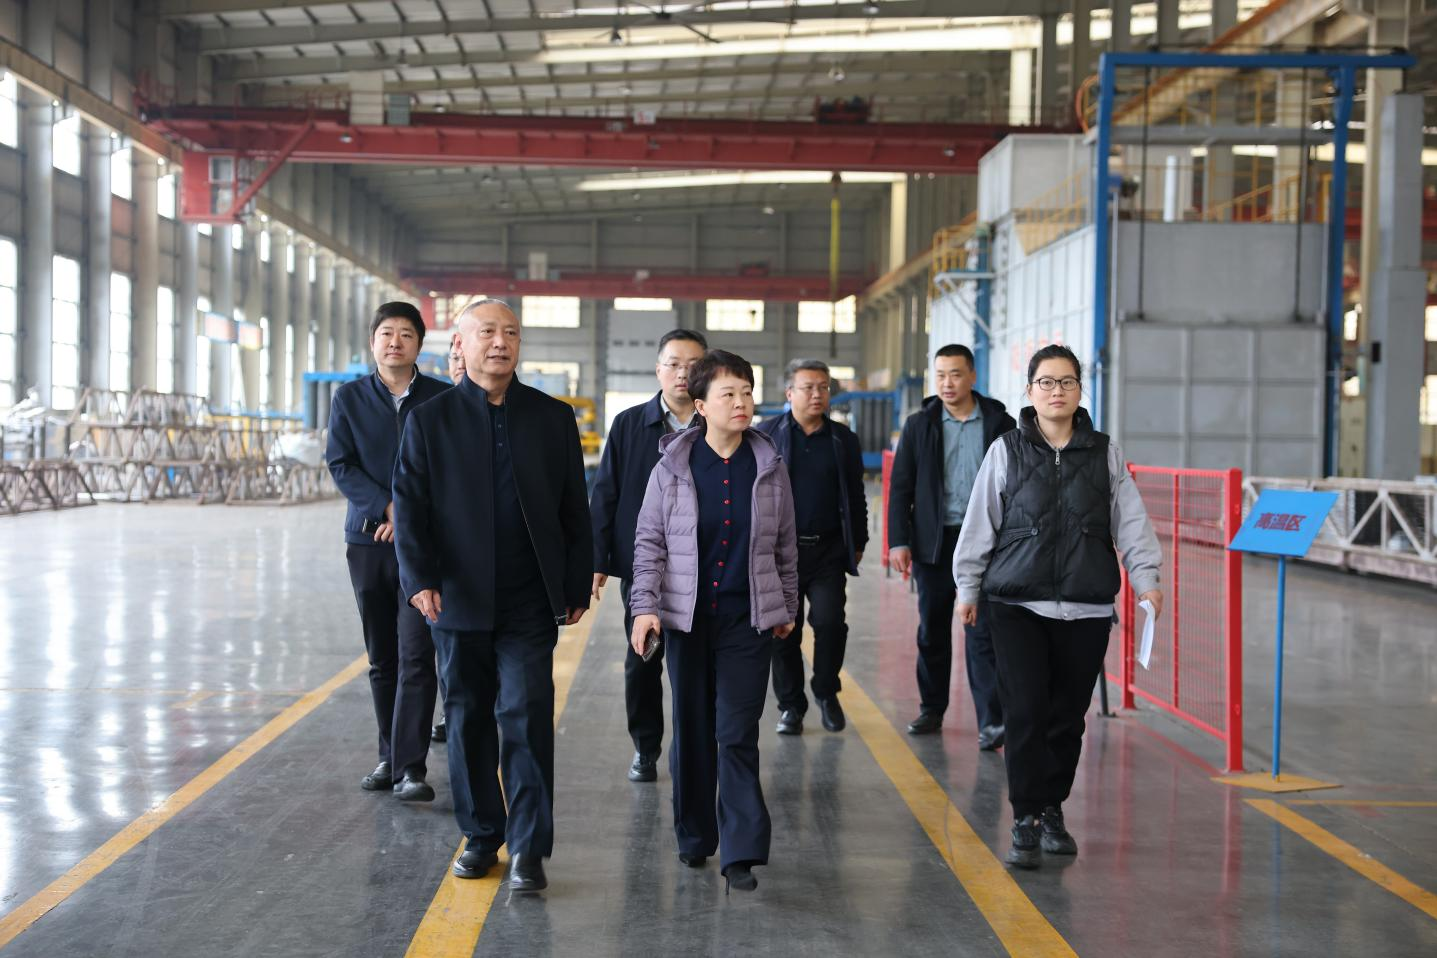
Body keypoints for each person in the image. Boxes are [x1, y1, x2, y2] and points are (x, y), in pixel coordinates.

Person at [392, 298, 592, 893]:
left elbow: (574, 508)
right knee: (467, 717)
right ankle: (482, 834)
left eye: (510, 332)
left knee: (527, 715)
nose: (500, 342)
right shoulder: (430, 420)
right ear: (461, 343)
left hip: (529, 600)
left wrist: (574, 583)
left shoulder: (552, 418)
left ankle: (529, 846)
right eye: (487, 332)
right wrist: (419, 580)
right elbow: (410, 508)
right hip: (457, 598)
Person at [953, 344, 1162, 870]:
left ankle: (1052, 809)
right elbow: (980, 522)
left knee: (1067, 719)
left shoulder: (1105, 454)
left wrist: (1146, 578)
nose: (1056, 391)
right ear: (1029, 391)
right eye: (1046, 382)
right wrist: (968, 588)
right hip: (1016, 604)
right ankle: (1025, 816)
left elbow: (1131, 521)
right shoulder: (1006, 450)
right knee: (1025, 712)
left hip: (1086, 607)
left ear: (1079, 390)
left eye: (1066, 382)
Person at [629, 349, 797, 894]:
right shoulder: (671, 468)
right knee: (694, 728)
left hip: (748, 620)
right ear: (700, 405)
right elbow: (649, 542)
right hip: (687, 620)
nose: (742, 402)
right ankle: (695, 834)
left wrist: (786, 605)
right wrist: (644, 607)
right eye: (729, 394)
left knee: (737, 730)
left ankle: (741, 851)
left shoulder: (769, 466)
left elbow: (786, 545)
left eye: (747, 392)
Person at [325, 302, 450, 801]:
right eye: (386, 333)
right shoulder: (349, 398)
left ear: (419, 344)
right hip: (368, 542)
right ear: (372, 342)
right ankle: (389, 756)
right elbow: (341, 463)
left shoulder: (441, 398)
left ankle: (411, 768)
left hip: (424, 549)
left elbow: (450, 468)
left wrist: (409, 515)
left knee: (417, 654)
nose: (395, 341)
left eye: (405, 334)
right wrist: (385, 507)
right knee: (383, 659)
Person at [589, 328, 708, 783]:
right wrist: (597, 560)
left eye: (693, 365)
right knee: (643, 658)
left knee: (693, 665)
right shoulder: (628, 424)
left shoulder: (715, 425)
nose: (683, 373)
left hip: (703, 565)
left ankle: (693, 751)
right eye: (674, 364)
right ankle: (645, 747)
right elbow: (605, 493)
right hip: (645, 567)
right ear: (658, 370)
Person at [887, 344, 1016, 744]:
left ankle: (991, 721)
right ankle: (931, 708)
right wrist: (898, 541)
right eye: (940, 374)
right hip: (935, 543)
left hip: (986, 543)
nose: (947, 383)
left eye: (955, 374)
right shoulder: (919, 425)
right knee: (933, 629)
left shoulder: (1000, 423)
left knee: (983, 631)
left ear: (972, 376)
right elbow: (901, 486)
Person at [755, 359, 867, 735]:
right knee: (783, 630)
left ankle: (825, 690)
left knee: (831, 622)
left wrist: (859, 540)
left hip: (827, 551)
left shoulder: (843, 440)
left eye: (823, 387)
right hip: (779, 553)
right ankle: (791, 706)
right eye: (808, 387)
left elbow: (855, 495)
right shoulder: (766, 435)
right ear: (790, 393)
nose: (817, 394)